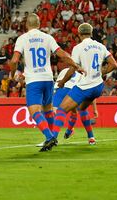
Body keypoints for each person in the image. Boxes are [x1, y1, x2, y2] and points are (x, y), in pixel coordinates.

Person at [10, 13, 83, 152]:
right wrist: (76, 65)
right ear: (39, 24)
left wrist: (13, 75)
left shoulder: (22, 39)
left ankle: (50, 137)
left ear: (26, 25)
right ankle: (51, 137)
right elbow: (62, 54)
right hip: (48, 79)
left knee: (34, 112)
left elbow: (14, 61)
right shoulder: (48, 37)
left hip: (33, 80)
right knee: (48, 110)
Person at [52, 23, 117, 140]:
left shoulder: (78, 48)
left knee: (62, 110)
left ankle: (53, 139)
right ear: (91, 33)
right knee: (82, 109)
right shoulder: (100, 46)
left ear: (79, 34)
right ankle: (91, 137)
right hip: (98, 87)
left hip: (85, 86)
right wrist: (102, 73)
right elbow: (114, 64)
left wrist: (62, 81)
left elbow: (72, 69)